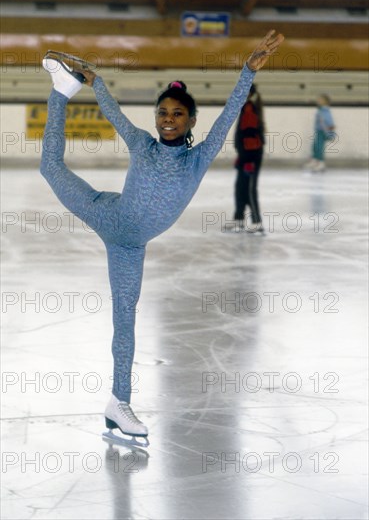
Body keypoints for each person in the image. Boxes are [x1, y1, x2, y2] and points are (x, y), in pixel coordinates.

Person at [40, 30, 284, 446]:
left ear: (189, 121)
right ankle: (61, 92)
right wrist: (95, 83)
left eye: (176, 115)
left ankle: (119, 403)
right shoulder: (142, 144)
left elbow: (228, 115)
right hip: (106, 211)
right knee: (50, 168)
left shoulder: (198, 159)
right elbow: (113, 113)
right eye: (162, 113)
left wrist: (247, 71)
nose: (168, 120)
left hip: (129, 247)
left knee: (125, 321)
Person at [233, 83, 265, 233]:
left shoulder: (249, 108)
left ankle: (257, 222)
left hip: (250, 155)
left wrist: (247, 158)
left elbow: (251, 134)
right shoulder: (246, 107)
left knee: (249, 189)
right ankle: (238, 220)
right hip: (245, 155)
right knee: (240, 188)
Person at [305, 94, 336, 172]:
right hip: (319, 131)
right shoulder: (321, 110)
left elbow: (329, 121)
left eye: (320, 99)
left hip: (323, 131)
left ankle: (321, 162)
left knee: (319, 147)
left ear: (325, 101)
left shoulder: (325, 110)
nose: (318, 101)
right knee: (315, 146)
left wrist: (330, 129)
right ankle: (315, 160)